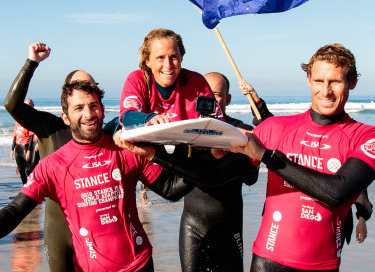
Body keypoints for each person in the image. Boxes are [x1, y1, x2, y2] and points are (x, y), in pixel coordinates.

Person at [0, 80, 191, 272]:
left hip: (139, 264)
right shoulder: (52, 165)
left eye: (93, 106)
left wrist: (200, 154)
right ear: (65, 117)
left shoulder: (126, 149)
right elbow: (16, 210)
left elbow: (170, 189)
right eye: (79, 108)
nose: (88, 114)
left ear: (103, 109)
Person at [230, 43, 375, 272]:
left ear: (352, 82)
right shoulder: (275, 128)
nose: (325, 91)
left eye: (335, 82)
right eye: (319, 81)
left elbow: (337, 193)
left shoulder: (365, 136)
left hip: (322, 265)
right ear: (309, 80)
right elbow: (222, 172)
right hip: (268, 261)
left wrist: (268, 157)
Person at [119, 64, 271, 272]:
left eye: (215, 95)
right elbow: (171, 189)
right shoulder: (186, 135)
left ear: (227, 99)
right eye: (202, 95)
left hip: (229, 227)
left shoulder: (240, 133)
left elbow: (248, 178)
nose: (207, 100)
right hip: (192, 226)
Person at [4, 42, 104, 272]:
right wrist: (32, 63)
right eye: (79, 85)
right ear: (66, 96)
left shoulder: (100, 131)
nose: (86, 88)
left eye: (91, 85)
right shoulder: (50, 127)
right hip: (59, 231)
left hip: (95, 232)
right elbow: (12, 104)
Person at [10, 99, 36, 184]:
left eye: (29, 104)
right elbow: (15, 136)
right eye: (25, 104)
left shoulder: (29, 121)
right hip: (18, 147)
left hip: (25, 146)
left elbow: (32, 137)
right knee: (20, 169)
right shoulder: (17, 122)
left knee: (28, 169)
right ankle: (25, 186)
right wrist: (11, 150)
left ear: (32, 105)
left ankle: (32, 187)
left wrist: (29, 150)